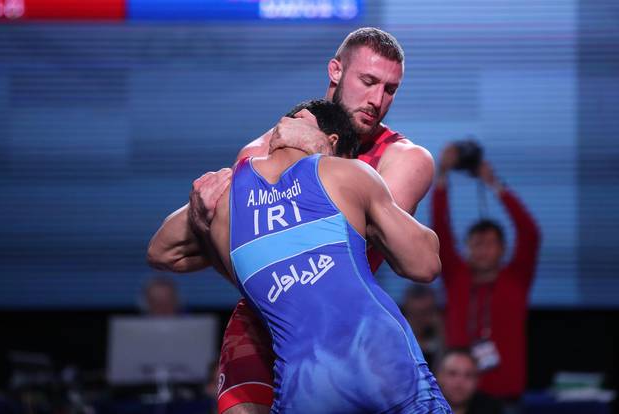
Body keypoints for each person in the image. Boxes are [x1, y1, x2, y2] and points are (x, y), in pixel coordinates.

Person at [147, 27, 436, 413]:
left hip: (347, 332)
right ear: (335, 70)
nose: (377, 100)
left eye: (390, 89)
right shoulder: (258, 152)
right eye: (368, 81)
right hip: (263, 326)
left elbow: (349, 243)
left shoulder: (404, 158)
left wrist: (319, 155)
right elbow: (173, 253)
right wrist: (207, 224)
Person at [194, 98, 448, 413]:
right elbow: (425, 264)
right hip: (381, 360)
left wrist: (200, 214)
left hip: (306, 385)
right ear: (331, 140)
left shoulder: (224, 204)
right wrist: (366, 218)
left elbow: (160, 250)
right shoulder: (347, 173)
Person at [431, 144, 541, 406]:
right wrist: (442, 177)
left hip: (505, 397)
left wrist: (494, 185)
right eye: (476, 243)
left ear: (503, 249)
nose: (482, 249)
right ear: (467, 247)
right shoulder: (457, 276)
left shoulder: (515, 278)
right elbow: (441, 231)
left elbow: (530, 234)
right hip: (459, 395)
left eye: (489, 243)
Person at [436, 349, 503, 414]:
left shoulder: (491, 409)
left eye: (468, 375)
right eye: (452, 373)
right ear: (439, 377)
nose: (459, 382)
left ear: (477, 381)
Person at [401, 284, 444, 370]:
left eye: (429, 312)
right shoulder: (397, 340)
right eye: (418, 313)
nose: (423, 320)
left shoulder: (436, 336)